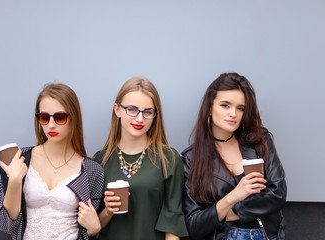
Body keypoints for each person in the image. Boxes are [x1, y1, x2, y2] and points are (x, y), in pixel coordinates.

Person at [182, 73, 286, 240]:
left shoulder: (259, 141)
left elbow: (277, 194)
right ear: (210, 107)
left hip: (267, 235)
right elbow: (194, 224)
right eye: (225, 105)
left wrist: (228, 212)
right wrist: (233, 196)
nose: (233, 114)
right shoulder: (191, 159)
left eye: (240, 108)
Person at [0, 83, 105, 240]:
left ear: (73, 117)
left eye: (59, 117)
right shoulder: (21, 159)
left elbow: (86, 233)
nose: (51, 125)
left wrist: (93, 231)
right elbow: (6, 226)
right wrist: (14, 181)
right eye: (44, 117)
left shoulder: (92, 171)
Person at [93, 77, 188, 240]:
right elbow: (93, 229)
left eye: (148, 112)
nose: (139, 119)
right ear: (117, 110)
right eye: (132, 109)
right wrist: (108, 211)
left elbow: (173, 223)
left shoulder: (169, 159)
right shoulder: (99, 161)